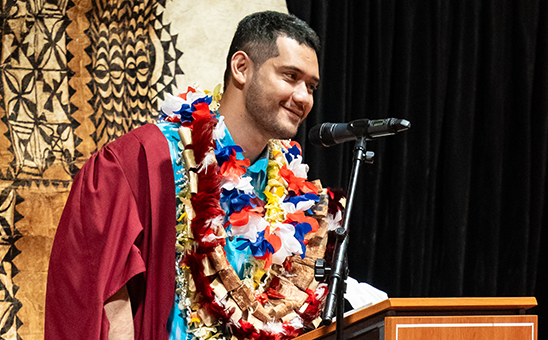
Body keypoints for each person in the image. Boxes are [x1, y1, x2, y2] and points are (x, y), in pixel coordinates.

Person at [45, 11, 335, 340]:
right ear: (241, 68)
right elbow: (103, 294)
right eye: (290, 76)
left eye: (311, 86)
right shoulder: (146, 159)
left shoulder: (293, 195)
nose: (304, 97)